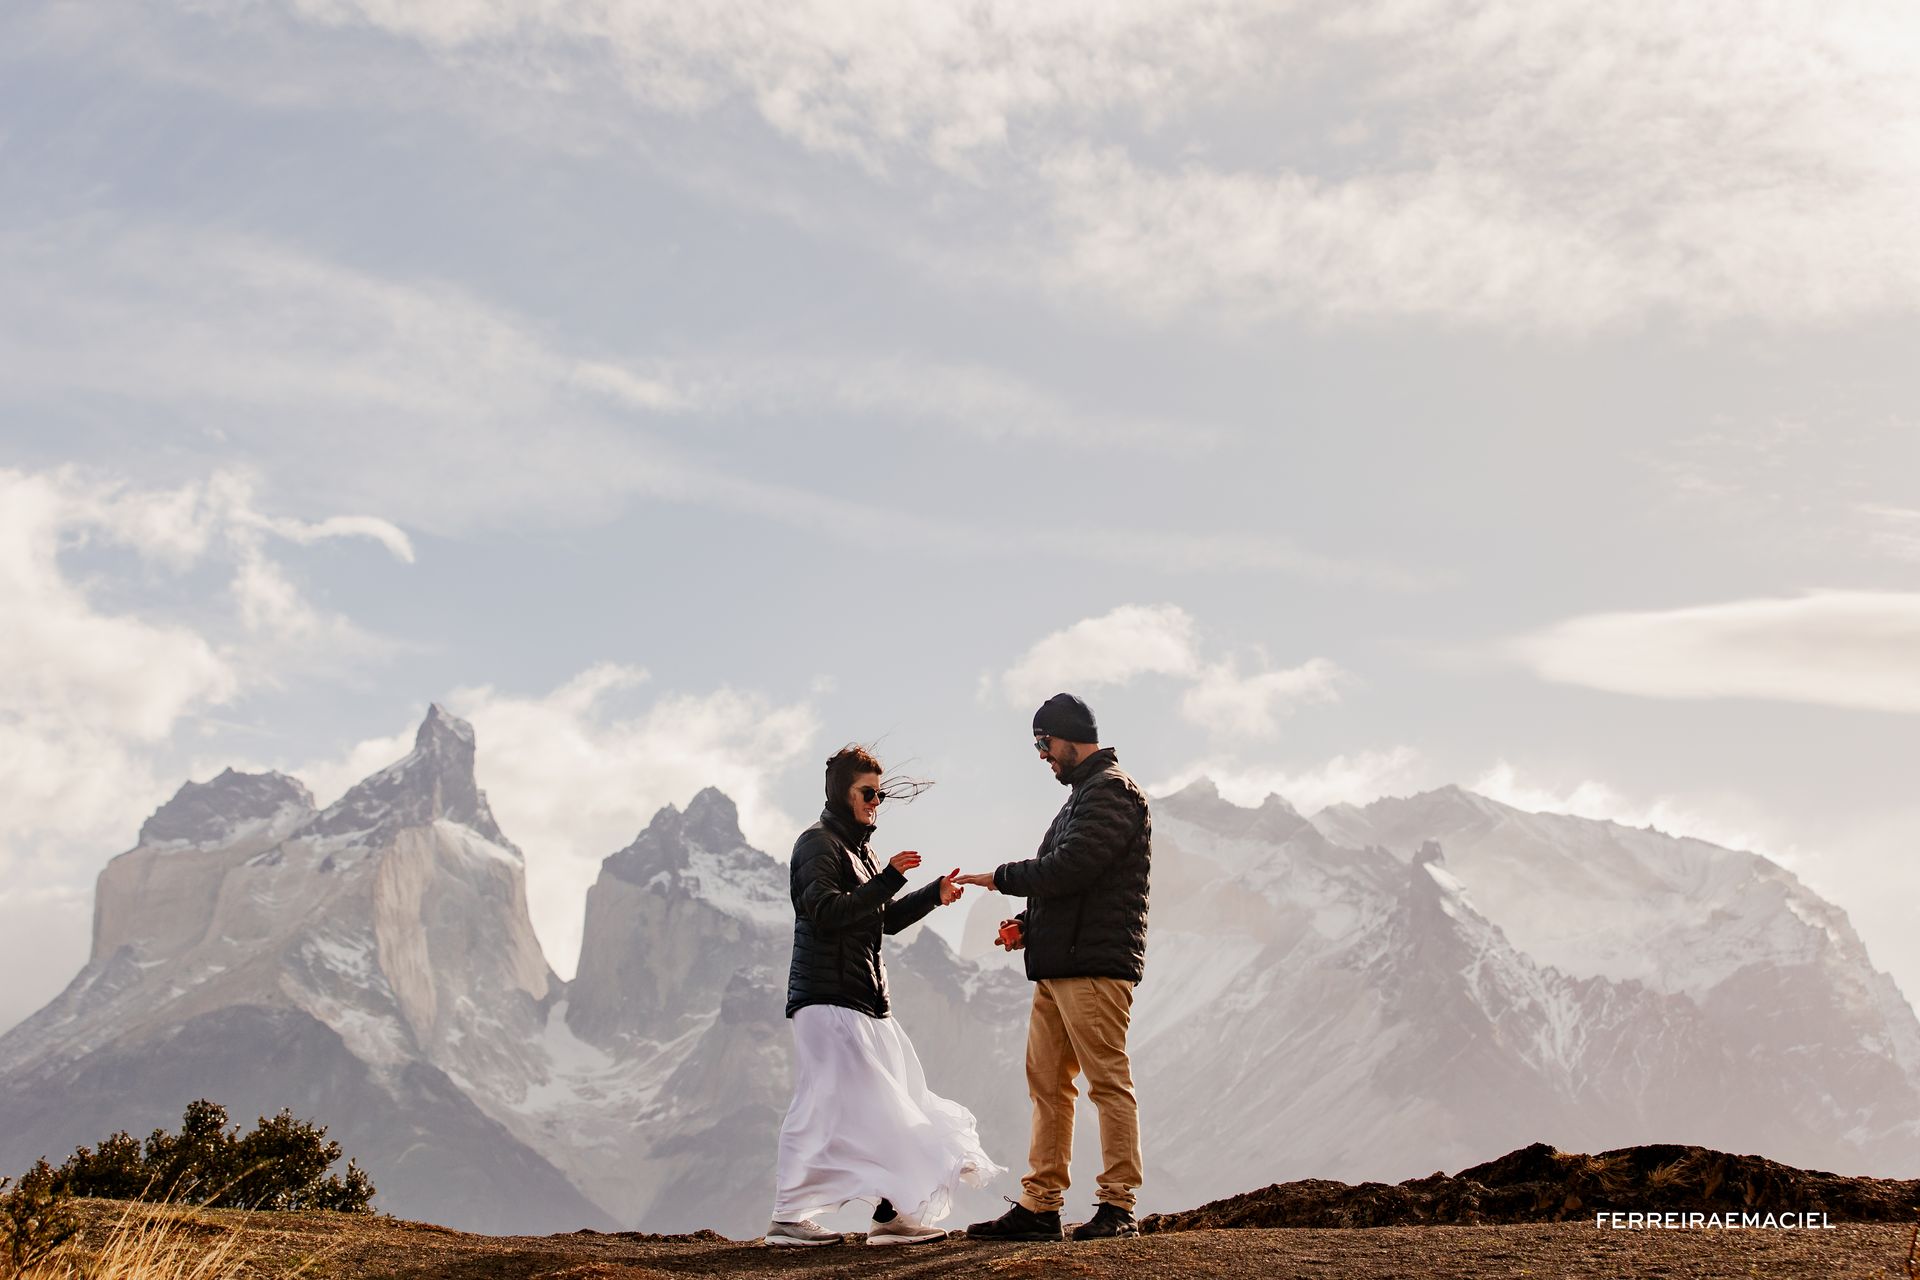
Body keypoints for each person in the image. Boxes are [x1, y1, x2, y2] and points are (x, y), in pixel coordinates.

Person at [765, 745, 1004, 1248]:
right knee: (831, 1105)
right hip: (826, 998)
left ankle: (891, 1215)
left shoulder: (861, 851)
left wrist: (930, 894)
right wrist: (892, 878)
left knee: (895, 1103)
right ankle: (791, 1216)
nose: (876, 802)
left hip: (866, 1002)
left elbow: (884, 919)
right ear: (841, 793)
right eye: (868, 793)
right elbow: (826, 911)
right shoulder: (816, 844)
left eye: (881, 793)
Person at [954, 693, 1151, 1243]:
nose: (1042, 756)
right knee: (1048, 1085)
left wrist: (1001, 878)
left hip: (1091, 968)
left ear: (1068, 737)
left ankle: (1117, 1206)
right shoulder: (1084, 797)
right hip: (1060, 965)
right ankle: (1040, 1207)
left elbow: (1071, 868)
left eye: (1044, 744)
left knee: (1106, 1082)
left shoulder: (1112, 791)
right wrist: (1028, 923)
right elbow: (1072, 885)